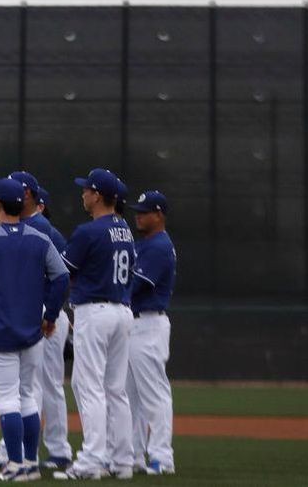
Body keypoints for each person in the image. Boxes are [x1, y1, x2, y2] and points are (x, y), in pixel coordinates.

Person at [0, 178, 70, 482]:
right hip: (32, 332)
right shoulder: (41, 239)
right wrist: (52, 315)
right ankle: (30, 463)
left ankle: (16, 465)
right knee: (29, 397)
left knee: (7, 399)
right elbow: (61, 278)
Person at [55, 168, 136, 480]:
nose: (83, 194)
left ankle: (92, 461)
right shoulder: (125, 229)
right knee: (115, 389)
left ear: (98, 195)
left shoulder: (89, 231)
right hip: (122, 311)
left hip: (95, 311)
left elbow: (63, 272)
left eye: (86, 189)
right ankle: (123, 461)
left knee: (88, 386)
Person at [125, 191, 177, 476]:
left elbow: (136, 286)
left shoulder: (158, 246)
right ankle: (133, 454)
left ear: (159, 215)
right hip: (135, 325)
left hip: (148, 324)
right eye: (137, 210)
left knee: (154, 395)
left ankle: (162, 457)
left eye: (145, 211)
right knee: (130, 395)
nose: (138, 215)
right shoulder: (147, 243)